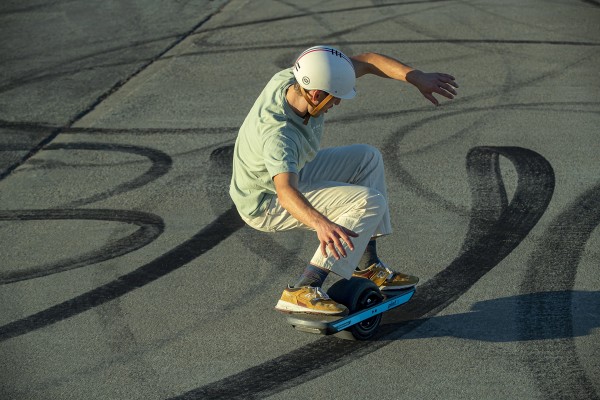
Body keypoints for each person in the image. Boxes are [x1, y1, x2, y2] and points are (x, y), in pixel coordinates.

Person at [230, 45, 458, 315]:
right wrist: (321, 223)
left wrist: (415, 76)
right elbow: (285, 193)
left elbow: (369, 61)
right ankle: (305, 287)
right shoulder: (278, 135)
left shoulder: (296, 79)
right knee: (369, 202)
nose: (337, 104)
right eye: (335, 98)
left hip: (289, 173)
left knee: (367, 158)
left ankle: (368, 266)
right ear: (315, 94)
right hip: (265, 201)